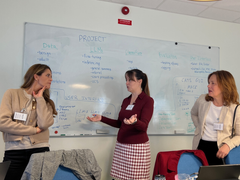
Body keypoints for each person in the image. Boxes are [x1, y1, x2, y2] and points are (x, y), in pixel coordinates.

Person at [87, 69, 154, 180]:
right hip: (122, 146)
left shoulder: (147, 100)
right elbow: (120, 123)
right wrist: (101, 118)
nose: (126, 83)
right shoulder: (126, 101)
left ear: (139, 81)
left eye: (130, 80)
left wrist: (135, 122)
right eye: (126, 80)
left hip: (137, 148)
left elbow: (144, 126)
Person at [0, 64, 57, 180]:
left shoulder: (47, 102)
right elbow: (3, 123)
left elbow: (44, 124)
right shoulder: (12, 94)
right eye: (48, 75)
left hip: (41, 151)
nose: (51, 79)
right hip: (14, 151)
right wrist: (33, 130)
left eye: (51, 76)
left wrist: (39, 98)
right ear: (36, 76)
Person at [191, 70, 240, 165]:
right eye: (209, 83)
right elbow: (194, 113)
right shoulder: (202, 100)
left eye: (213, 83)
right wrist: (199, 127)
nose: (208, 86)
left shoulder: (236, 109)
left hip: (222, 151)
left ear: (225, 86)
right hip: (201, 146)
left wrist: (228, 145)